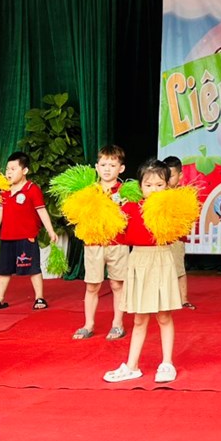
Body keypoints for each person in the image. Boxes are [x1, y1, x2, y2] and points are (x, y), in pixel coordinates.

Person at [103, 160, 182, 383]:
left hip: (161, 259)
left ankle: (167, 364)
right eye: (148, 185)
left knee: (164, 316)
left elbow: (179, 232)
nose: (153, 189)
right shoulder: (130, 207)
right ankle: (132, 366)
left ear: (167, 185)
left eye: (159, 185)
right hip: (137, 260)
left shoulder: (171, 209)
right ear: (140, 186)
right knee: (139, 319)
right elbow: (119, 235)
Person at [0, 152, 59, 312]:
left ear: (24, 171)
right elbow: (2, 209)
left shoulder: (32, 189)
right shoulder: (5, 190)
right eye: (7, 169)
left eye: (13, 169)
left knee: (33, 268)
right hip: (7, 237)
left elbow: (41, 211)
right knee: (3, 269)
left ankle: (39, 297)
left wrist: (50, 231)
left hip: (27, 237)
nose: (9, 172)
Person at [73, 145, 129, 341]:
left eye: (112, 165)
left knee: (117, 284)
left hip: (118, 243)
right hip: (94, 244)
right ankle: (88, 324)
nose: (107, 169)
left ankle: (118, 324)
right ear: (96, 167)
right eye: (103, 165)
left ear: (121, 168)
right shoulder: (89, 191)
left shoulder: (126, 191)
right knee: (92, 286)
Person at [163, 155, 195, 310]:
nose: (168, 179)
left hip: (176, 238)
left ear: (180, 175)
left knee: (178, 268)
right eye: (165, 175)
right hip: (159, 237)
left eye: (172, 175)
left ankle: (183, 299)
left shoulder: (184, 195)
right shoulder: (157, 193)